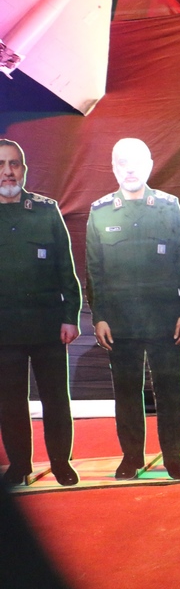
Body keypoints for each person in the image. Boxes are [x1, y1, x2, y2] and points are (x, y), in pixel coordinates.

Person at [86, 138, 180, 480]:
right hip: (121, 321)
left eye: (136, 161)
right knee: (126, 392)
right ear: (113, 168)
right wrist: (99, 316)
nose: (130, 168)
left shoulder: (168, 206)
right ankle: (131, 457)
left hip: (165, 318)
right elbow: (94, 271)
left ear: (149, 165)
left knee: (169, 390)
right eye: (123, 162)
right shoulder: (100, 211)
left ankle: (173, 457)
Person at [0, 139, 82, 486]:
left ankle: (61, 462)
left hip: (48, 324)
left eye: (14, 164)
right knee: (10, 402)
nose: (7, 171)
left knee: (56, 398)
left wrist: (71, 316)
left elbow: (66, 268)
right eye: (1, 164)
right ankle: (19, 464)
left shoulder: (46, 210)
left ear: (24, 169)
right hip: (4, 329)